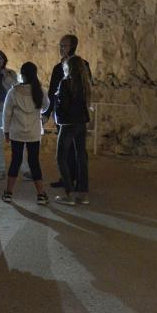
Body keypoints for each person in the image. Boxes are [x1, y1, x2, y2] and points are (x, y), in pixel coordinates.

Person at [42, 34, 91, 188]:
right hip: (70, 117)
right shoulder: (58, 68)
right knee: (73, 151)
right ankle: (71, 180)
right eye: (60, 45)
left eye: (64, 46)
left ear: (72, 47)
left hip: (68, 117)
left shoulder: (81, 66)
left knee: (72, 151)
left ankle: (71, 183)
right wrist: (47, 113)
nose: (61, 49)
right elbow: (51, 93)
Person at [1, 62, 50, 205]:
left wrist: (6, 131)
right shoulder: (40, 91)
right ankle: (41, 194)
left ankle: (9, 193)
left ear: (22, 75)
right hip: (34, 132)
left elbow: (7, 113)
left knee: (15, 161)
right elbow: (46, 105)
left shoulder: (14, 91)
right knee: (34, 162)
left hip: (17, 131)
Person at [54, 55, 91, 205]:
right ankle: (83, 194)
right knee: (81, 157)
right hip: (81, 123)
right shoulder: (84, 84)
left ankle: (68, 193)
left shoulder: (65, 83)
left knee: (60, 157)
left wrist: (57, 98)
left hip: (68, 124)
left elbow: (63, 105)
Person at [0, 50, 18, 179]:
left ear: (4, 60)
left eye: (0, 58)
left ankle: (22, 169)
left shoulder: (11, 73)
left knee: (16, 141)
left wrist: (6, 77)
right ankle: (1, 170)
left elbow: (16, 89)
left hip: (10, 112)